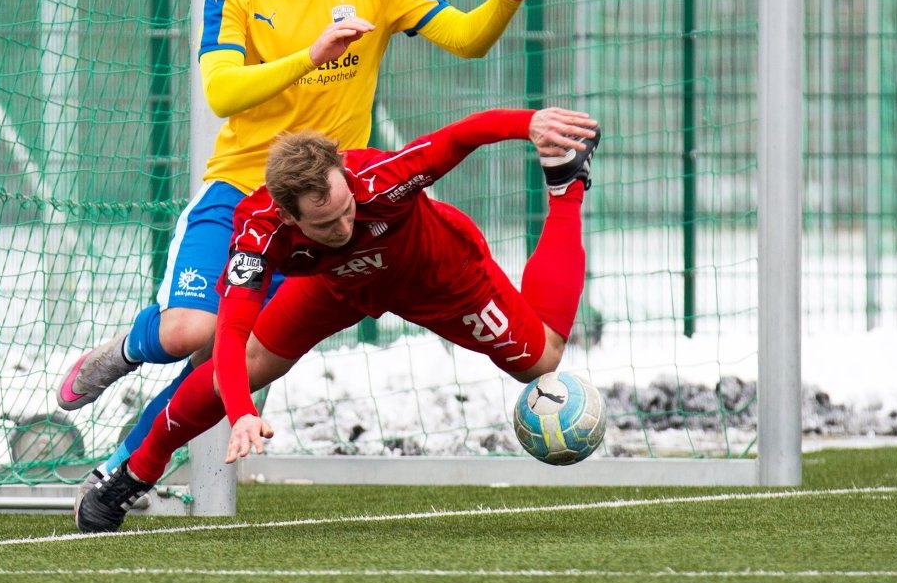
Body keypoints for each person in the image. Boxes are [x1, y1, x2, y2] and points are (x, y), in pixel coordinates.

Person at [54, 0, 548, 483]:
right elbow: (222, 90)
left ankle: (121, 469)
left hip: (322, 213)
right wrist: (312, 54)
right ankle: (124, 350)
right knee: (187, 332)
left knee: (227, 360)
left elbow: (467, 39)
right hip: (239, 191)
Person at [74, 104, 601, 532]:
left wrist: (527, 123)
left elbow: (461, 135)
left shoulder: (381, 177)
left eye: (347, 207)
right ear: (288, 214)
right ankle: (130, 477)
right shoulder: (259, 233)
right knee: (243, 363)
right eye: (326, 223)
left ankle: (565, 184)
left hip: (441, 276)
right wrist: (242, 415)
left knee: (544, 360)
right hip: (336, 289)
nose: (346, 224)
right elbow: (233, 334)